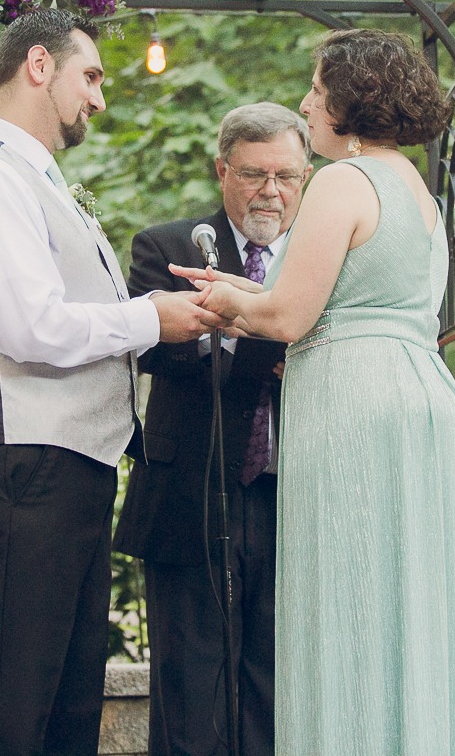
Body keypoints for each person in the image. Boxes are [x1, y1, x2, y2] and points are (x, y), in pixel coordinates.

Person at [172, 29, 455, 754]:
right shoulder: (419, 190)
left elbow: (288, 314)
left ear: (352, 99)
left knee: (352, 603)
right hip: (423, 401)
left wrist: (225, 303)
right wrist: (242, 290)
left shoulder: (343, 181)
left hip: (357, 405)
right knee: (412, 605)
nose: (306, 104)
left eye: (316, 92)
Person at [0, 8, 225, 756]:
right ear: (38, 65)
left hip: (65, 470)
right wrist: (151, 318)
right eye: (88, 76)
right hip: (18, 470)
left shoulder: (40, 184)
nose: (98, 98)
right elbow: (32, 329)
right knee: (7, 709)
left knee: (63, 709)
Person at [114, 102, 312, 756]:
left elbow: (225, 351)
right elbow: (162, 353)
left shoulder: (318, 259)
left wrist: (227, 333)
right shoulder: (168, 248)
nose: (272, 192)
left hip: (292, 498)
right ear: (222, 169)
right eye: (255, 174)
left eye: (288, 176)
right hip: (188, 495)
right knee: (188, 681)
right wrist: (275, 346)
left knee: (273, 676)